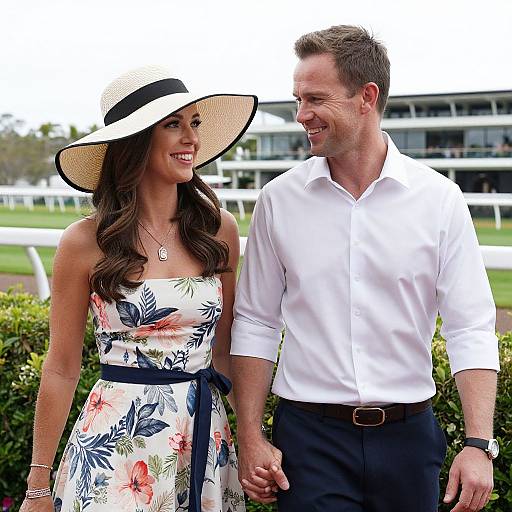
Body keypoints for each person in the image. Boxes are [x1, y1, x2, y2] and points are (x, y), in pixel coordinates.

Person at [230, 26, 499, 512]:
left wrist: (479, 444)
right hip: (308, 442)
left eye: (315, 98)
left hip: (409, 440)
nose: (300, 114)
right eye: (298, 99)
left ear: (366, 97)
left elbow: (470, 328)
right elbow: (256, 322)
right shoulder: (278, 201)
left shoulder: (440, 200)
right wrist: (250, 435)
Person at [20, 65, 257, 512]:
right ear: (136, 141)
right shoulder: (84, 241)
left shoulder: (217, 230)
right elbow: (61, 367)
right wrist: (37, 485)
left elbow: (225, 351)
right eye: (174, 125)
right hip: (116, 447)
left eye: (195, 123)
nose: (192, 139)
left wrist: (251, 437)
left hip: (204, 440)